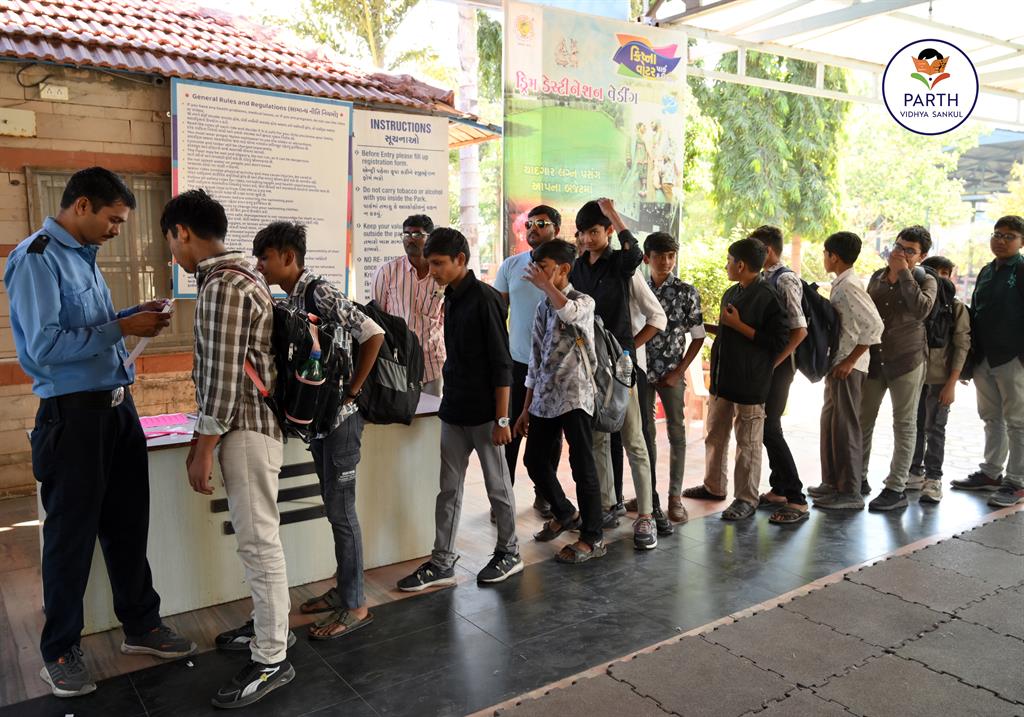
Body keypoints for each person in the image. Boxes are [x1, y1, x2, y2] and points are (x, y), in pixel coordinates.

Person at [4, 167, 194, 698]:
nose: (117, 230)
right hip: (74, 417)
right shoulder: (37, 257)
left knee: (129, 524)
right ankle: (60, 651)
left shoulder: (83, 256)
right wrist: (120, 327)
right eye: (114, 220)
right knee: (71, 537)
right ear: (82, 205)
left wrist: (131, 316)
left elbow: (89, 328)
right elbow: (44, 348)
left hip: (117, 409)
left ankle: (141, 624)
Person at [162, 190, 293, 709]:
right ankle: (270, 627)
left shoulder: (222, 285)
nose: (173, 252)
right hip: (253, 426)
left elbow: (220, 381)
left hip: (245, 430)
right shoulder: (246, 276)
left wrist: (202, 448)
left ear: (183, 233)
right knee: (261, 540)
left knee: (259, 544)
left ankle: (272, 658)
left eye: (171, 241)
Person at [252, 222, 385, 639]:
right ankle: (344, 588)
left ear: (288, 257)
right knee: (333, 507)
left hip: (342, 422)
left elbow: (373, 333)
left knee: (342, 512)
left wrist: (353, 392)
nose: (260, 265)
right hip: (321, 424)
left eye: (265, 257)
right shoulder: (291, 297)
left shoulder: (319, 291)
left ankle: (356, 604)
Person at [397, 228, 522, 590]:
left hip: (486, 415)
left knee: (498, 487)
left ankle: (510, 552)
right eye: (430, 263)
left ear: (460, 260)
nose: (432, 270)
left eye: (438, 263)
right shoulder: (449, 296)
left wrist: (502, 419)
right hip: (454, 409)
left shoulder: (485, 299)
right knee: (448, 490)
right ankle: (442, 561)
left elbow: (502, 364)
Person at [569, 198, 657, 550]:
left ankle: (646, 515)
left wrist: (614, 215)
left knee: (633, 439)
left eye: (594, 231)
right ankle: (606, 505)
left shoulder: (620, 263)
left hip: (620, 366)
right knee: (597, 439)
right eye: (583, 233)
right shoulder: (577, 268)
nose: (588, 239)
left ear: (607, 231)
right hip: (588, 365)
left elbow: (636, 253)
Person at [683, 238, 788, 521]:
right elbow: (730, 331)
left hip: (750, 383)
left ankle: (746, 499)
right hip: (723, 379)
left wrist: (739, 325)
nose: (726, 265)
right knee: (715, 435)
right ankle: (713, 486)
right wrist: (702, 326)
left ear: (740, 265)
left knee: (748, 443)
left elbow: (778, 341)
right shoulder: (732, 291)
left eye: (729, 261)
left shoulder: (768, 296)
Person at [514, 239, 605, 563]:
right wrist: (525, 407)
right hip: (544, 396)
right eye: (536, 267)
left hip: (575, 396)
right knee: (534, 460)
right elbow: (535, 358)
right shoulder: (542, 306)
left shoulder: (583, 301)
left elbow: (568, 312)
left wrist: (547, 286)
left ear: (564, 269)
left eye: (544, 268)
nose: (537, 273)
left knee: (582, 466)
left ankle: (593, 536)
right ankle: (566, 513)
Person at [859, 226, 937, 511]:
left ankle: (896, 488)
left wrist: (904, 272)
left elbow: (921, 309)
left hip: (907, 359)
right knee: (863, 419)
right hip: (875, 357)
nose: (901, 253)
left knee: (904, 424)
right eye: (899, 246)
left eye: (909, 251)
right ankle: (857, 477)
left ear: (922, 256)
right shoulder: (877, 277)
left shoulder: (927, 280)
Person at [494, 205, 562, 519]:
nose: (533, 228)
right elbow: (499, 313)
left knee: (549, 436)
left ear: (556, 229)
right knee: (508, 431)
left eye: (541, 223)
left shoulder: (566, 268)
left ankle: (544, 494)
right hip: (517, 363)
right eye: (529, 223)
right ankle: (503, 497)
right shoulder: (511, 265)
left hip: (555, 367)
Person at [952, 216, 1024, 507]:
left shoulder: (1021, 269)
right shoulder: (986, 270)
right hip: (984, 357)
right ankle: (991, 473)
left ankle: (1017, 482)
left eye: (1009, 236)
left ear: (1021, 242)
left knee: (1018, 421)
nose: (1001, 240)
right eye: (997, 234)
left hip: (1012, 358)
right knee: (991, 417)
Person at [810, 232, 884, 510]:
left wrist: (850, 361)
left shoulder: (850, 285)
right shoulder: (842, 282)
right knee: (831, 424)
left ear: (834, 256)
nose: (824, 258)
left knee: (846, 428)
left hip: (848, 368)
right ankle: (832, 483)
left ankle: (850, 492)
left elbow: (875, 326)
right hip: (837, 364)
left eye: (825, 253)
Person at [641, 232, 705, 524]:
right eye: (659, 256)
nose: (666, 262)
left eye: (671, 256)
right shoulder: (638, 289)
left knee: (677, 434)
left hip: (671, 373)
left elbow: (698, 336)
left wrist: (679, 371)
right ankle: (648, 497)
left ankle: (674, 498)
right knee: (644, 435)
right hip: (641, 372)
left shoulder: (686, 292)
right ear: (647, 258)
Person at [750, 226, 809, 525]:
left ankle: (797, 498)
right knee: (766, 427)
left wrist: (774, 362)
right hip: (769, 363)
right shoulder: (764, 277)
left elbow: (799, 330)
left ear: (768, 251)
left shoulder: (785, 279)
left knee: (770, 427)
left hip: (780, 365)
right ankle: (780, 489)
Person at [908, 256, 970, 503]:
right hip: (914, 376)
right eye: (935, 272)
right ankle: (914, 472)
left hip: (940, 379)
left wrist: (951, 383)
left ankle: (933, 478)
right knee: (913, 426)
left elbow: (962, 345)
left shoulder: (955, 308)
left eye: (945, 273)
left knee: (935, 428)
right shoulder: (918, 304)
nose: (940, 278)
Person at [371, 214, 445, 396]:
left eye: (417, 234)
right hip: (397, 363)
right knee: (397, 413)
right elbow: (376, 318)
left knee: (432, 413)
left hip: (432, 363)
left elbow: (447, 318)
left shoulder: (442, 274)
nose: (410, 239)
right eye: (406, 234)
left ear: (430, 238)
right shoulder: (387, 272)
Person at [621, 268, 671, 536]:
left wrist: (628, 349)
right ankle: (610, 505)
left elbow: (657, 317)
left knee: (639, 438)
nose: (584, 246)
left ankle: (651, 509)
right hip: (597, 370)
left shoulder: (627, 272)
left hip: (631, 368)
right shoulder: (581, 270)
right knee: (604, 441)